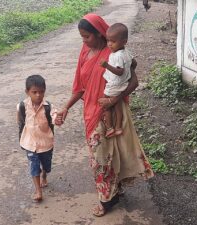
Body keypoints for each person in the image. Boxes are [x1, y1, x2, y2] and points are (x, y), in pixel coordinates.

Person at [57, 13, 154, 217]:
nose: (84, 41)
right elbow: (80, 87)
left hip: (111, 111)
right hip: (90, 112)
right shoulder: (85, 52)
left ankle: (106, 200)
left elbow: (133, 82)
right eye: (82, 37)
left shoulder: (118, 56)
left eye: (87, 37)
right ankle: (114, 191)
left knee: (102, 157)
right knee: (103, 155)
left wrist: (113, 100)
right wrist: (66, 107)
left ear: (101, 35)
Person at [17, 74, 60, 203]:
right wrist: (21, 137)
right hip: (30, 143)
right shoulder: (22, 106)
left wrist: (57, 119)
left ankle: (45, 176)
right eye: (34, 92)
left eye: (41, 92)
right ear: (27, 92)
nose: (38, 95)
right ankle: (38, 191)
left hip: (46, 143)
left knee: (46, 165)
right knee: (33, 166)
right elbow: (20, 122)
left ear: (44, 91)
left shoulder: (48, 107)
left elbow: (55, 116)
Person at [100, 23, 132, 138]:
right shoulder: (126, 52)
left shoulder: (117, 55)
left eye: (113, 41)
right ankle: (118, 127)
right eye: (108, 40)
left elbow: (120, 71)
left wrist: (106, 65)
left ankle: (109, 128)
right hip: (122, 84)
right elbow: (134, 63)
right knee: (117, 106)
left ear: (124, 41)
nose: (109, 44)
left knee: (106, 105)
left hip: (114, 84)